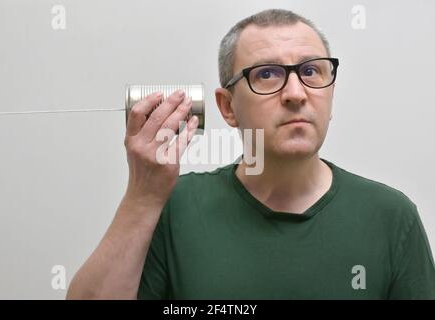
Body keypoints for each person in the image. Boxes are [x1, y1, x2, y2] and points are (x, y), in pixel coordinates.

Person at [66, 9, 435, 299]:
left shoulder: (390, 216)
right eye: (268, 74)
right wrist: (143, 196)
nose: (296, 93)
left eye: (311, 71)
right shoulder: (175, 206)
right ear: (228, 107)